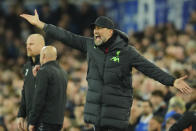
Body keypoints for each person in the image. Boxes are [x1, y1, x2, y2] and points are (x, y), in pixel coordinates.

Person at [20, 10, 192, 131]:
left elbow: (150, 68)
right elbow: (66, 36)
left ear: (110, 32)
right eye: (94, 29)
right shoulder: (90, 45)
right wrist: (41, 25)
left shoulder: (126, 51)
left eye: (99, 29)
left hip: (117, 111)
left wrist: (172, 80)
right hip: (97, 111)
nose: (95, 32)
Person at [28, 46, 68, 131]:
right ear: (55, 57)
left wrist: (32, 121)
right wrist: (37, 78)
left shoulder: (43, 71)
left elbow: (39, 98)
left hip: (44, 121)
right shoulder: (63, 72)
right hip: (58, 121)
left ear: (44, 56)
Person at [17, 34, 45, 131]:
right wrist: (21, 115)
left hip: (45, 121)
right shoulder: (27, 66)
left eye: (31, 44)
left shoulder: (49, 66)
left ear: (42, 46)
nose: (27, 47)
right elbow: (25, 92)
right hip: (31, 120)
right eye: (27, 44)